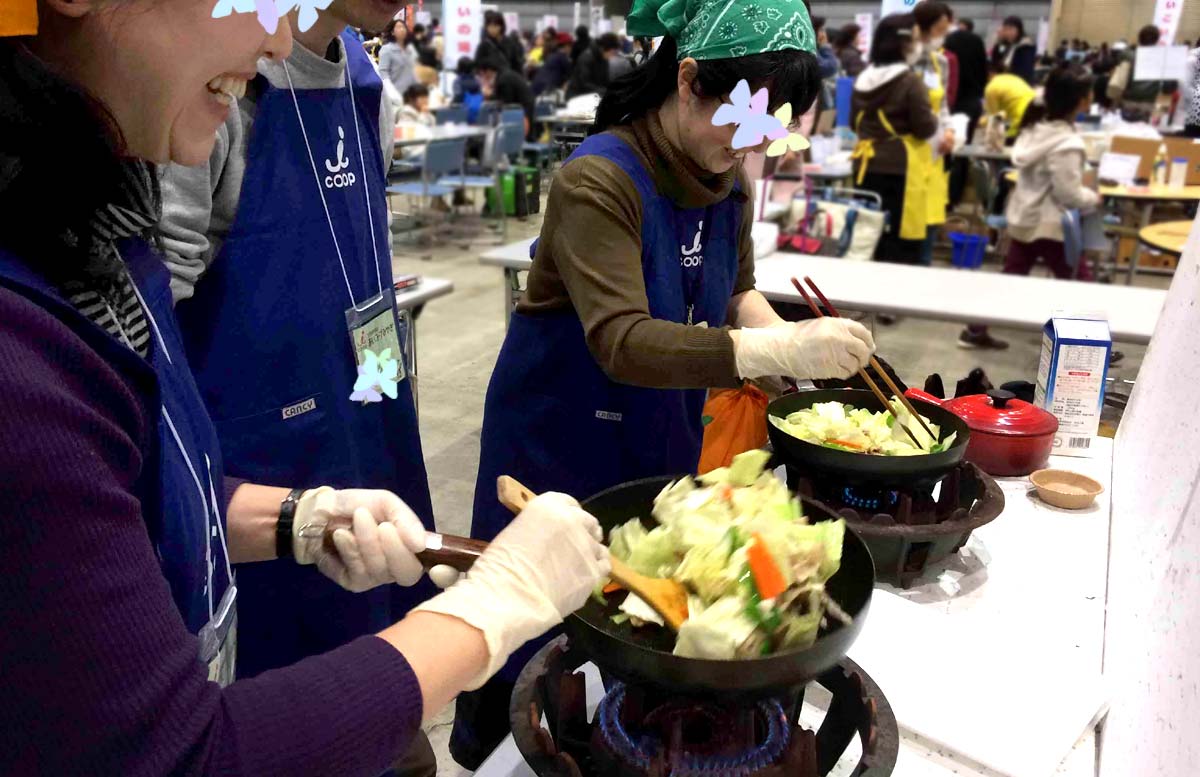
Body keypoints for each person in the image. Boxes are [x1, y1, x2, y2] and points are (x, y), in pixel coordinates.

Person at [0, 1, 608, 775]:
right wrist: (488, 611)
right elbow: (187, 753)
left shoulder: (100, 235)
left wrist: (296, 517)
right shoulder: (24, 348)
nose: (279, 36)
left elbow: (134, 481)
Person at [453, 0, 874, 767]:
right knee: (538, 653)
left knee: (637, 647)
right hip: (558, 458)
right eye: (742, 124)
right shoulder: (597, 182)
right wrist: (753, 351)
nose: (750, 149)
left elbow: (736, 292)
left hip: (657, 452)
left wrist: (788, 345)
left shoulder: (726, 184)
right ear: (687, 80)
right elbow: (621, 339)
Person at [154, 5, 457, 774]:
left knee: (383, 711)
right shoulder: (223, 87)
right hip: (255, 474)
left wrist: (387, 406)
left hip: (360, 441)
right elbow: (146, 328)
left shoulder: (364, 75)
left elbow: (366, 265)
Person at [959, 66, 1099, 349]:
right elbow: (1069, 194)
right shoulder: (1066, 144)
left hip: (1024, 218)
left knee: (1011, 279)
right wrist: (1093, 198)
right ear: (1082, 100)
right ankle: (1092, 343)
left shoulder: (1035, 129)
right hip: (1051, 226)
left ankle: (974, 331)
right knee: (1080, 281)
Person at [851, 12, 940, 265]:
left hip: (865, 165)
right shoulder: (911, 82)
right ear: (903, 44)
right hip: (901, 169)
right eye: (914, 39)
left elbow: (852, 122)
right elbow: (925, 128)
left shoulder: (862, 79)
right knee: (901, 240)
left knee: (870, 232)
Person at [911, 1, 956, 266]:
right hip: (908, 151)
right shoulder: (903, 59)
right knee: (908, 222)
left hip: (936, 152)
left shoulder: (941, 62)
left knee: (929, 219)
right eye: (938, 29)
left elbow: (945, 105)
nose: (942, 35)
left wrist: (949, 130)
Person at [1108, 25, 1176, 122]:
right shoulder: (1164, 58)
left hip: (1126, 102)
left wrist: (1133, 44)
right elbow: (1168, 88)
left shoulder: (1127, 55)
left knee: (1121, 132)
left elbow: (1118, 74)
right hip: (1150, 105)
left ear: (1139, 37)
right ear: (1157, 39)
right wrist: (1161, 112)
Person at [476, 55, 536, 138]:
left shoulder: (503, 79)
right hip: (523, 104)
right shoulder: (503, 75)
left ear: (488, 71)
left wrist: (489, 96)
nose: (483, 77)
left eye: (482, 74)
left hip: (522, 108)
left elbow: (507, 101)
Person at [984, 66, 1036, 145]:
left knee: (998, 147)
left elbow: (994, 118)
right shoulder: (1015, 78)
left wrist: (979, 122)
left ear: (989, 73)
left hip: (1019, 120)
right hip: (1034, 115)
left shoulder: (992, 87)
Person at [566, 31, 621, 98]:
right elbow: (585, 83)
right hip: (577, 96)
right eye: (612, 52)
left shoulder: (603, 58)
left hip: (593, 95)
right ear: (603, 48)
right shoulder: (586, 57)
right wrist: (605, 91)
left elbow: (605, 80)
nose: (613, 56)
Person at [991, 16, 1036, 85]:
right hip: (1004, 81)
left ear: (1019, 30)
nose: (1008, 33)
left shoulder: (1026, 45)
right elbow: (997, 57)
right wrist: (1000, 40)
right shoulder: (1005, 44)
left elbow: (1024, 70)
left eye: (1011, 29)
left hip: (1018, 84)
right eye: (1005, 29)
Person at [379, 18, 416, 96]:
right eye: (399, 27)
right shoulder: (387, 49)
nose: (402, 29)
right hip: (395, 93)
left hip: (411, 94)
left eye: (404, 27)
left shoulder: (410, 49)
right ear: (392, 32)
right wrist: (391, 92)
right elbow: (383, 72)